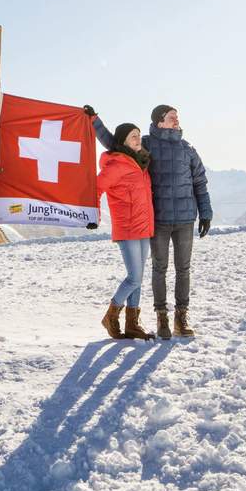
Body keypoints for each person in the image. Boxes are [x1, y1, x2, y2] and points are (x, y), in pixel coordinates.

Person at [85, 104, 212, 340]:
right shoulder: (148, 145)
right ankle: (161, 317)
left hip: (185, 219)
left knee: (183, 269)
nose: (177, 120)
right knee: (158, 269)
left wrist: (206, 212)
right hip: (159, 220)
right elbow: (115, 143)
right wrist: (94, 121)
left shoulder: (188, 149)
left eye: (177, 117)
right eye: (172, 117)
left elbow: (199, 183)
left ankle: (180, 317)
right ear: (159, 121)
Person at [96, 122, 156, 340]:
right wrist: (95, 216)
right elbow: (96, 188)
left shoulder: (140, 163)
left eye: (139, 135)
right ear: (122, 141)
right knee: (134, 278)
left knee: (138, 278)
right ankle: (110, 316)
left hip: (143, 227)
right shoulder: (117, 165)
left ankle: (132, 324)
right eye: (133, 136)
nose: (138, 139)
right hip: (128, 227)